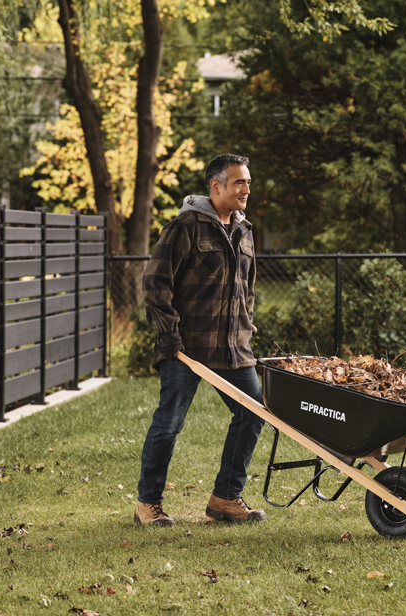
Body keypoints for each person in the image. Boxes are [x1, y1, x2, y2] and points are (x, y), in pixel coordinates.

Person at [135, 153, 267, 528]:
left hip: (234, 349)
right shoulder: (185, 226)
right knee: (169, 422)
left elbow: (248, 289)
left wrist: (247, 329)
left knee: (252, 413)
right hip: (186, 348)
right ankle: (148, 503)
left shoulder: (245, 231)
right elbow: (155, 283)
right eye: (239, 182)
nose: (246, 189)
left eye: (248, 182)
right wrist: (169, 336)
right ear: (216, 186)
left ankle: (225, 498)